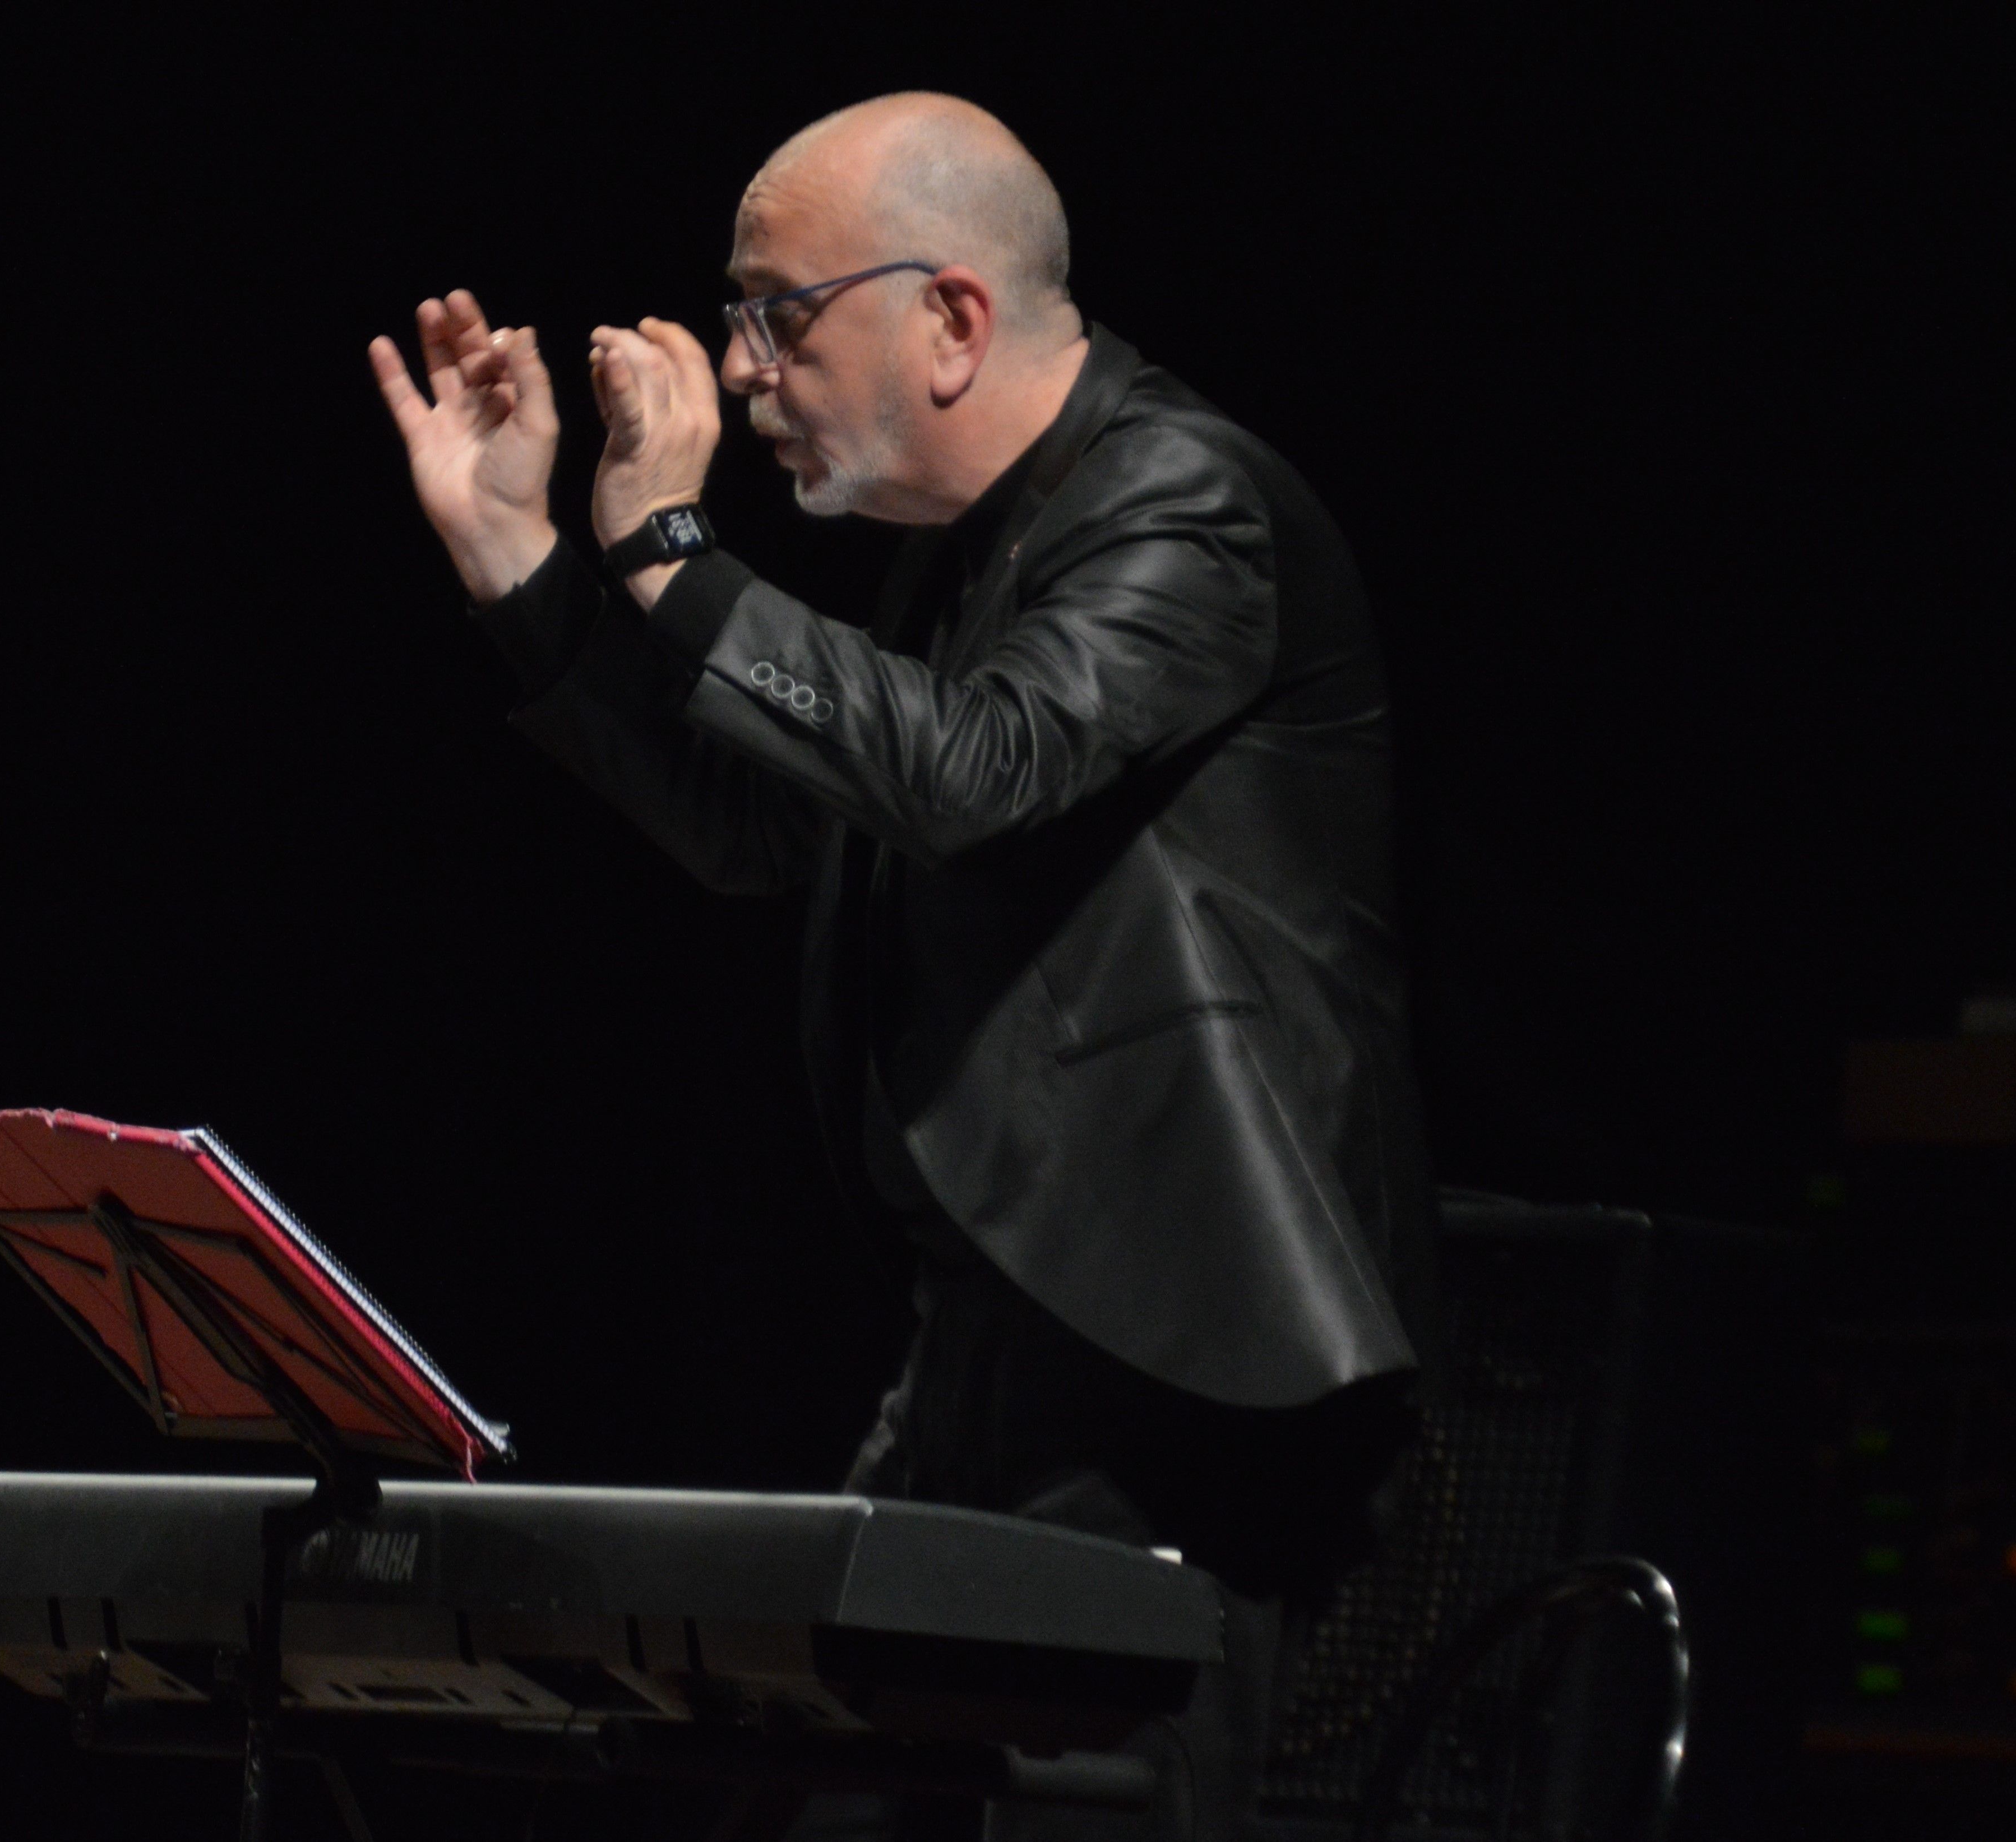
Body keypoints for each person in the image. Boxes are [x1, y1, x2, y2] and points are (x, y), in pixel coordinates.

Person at [371, 92, 1439, 1841]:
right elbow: (771, 833)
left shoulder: (1184, 499)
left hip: (1179, 1377)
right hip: (992, 1344)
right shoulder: (961, 551)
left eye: (776, 312)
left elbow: (973, 770)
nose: (741, 367)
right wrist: (524, 556)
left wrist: (671, 546)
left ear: (948, 317)